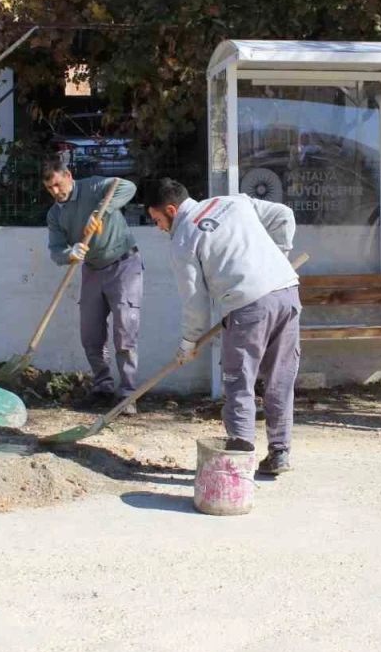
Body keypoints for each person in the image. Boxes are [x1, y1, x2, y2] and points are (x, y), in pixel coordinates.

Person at [146, 178, 301, 475]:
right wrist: (279, 256)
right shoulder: (233, 202)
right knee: (280, 380)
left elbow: (196, 305)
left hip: (248, 307)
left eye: (157, 220)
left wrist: (187, 344)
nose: (159, 228)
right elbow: (283, 215)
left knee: (239, 385)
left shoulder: (183, 239)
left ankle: (238, 469)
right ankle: (280, 453)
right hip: (287, 294)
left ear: (170, 209)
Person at [43, 158, 142, 413]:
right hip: (92, 270)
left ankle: (128, 394)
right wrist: (70, 254)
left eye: (57, 184)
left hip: (123, 264)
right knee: (90, 335)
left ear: (68, 175)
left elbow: (127, 187)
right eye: (49, 189)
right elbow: (56, 251)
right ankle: (103, 387)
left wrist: (100, 211)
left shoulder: (95, 186)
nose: (56, 192)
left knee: (124, 333)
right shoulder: (55, 214)